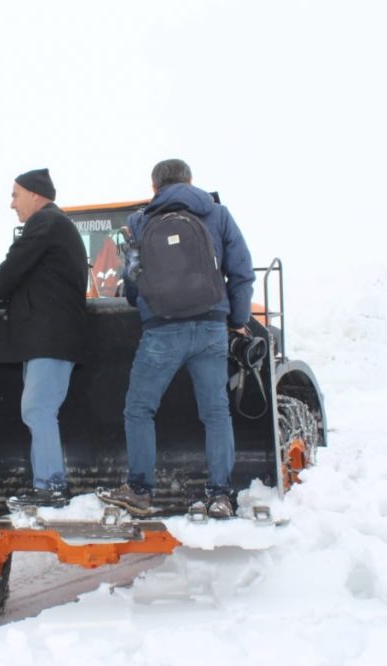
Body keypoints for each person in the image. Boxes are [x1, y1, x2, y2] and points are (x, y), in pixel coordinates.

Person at [97, 159, 254, 519]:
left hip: (162, 330)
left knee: (140, 409)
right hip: (211, 326)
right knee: (215, 413)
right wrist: (238, 320)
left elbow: (133, 279)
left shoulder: (140, 220)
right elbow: (241, 271)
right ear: (191, 181)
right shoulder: (218, 214)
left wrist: (146, 304)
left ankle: (139, 490)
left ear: (154, 188)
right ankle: (220, 495)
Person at [0, 168, 88, 508]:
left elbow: (8, 273)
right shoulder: (55, 224)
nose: (12, 203)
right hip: (49, 337)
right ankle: (45, 484)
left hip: (51, 337)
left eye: (15, 195)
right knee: (38, 410)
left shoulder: (46, 222)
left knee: (37, 408)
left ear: (34, 194)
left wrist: (1, 291)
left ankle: (51, 487)